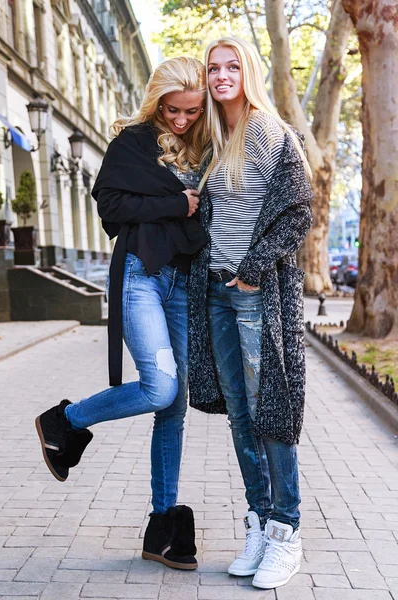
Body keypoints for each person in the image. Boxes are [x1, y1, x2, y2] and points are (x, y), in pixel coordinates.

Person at [35, 57, 210, 571]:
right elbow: (110, 206)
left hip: (183, 281)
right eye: (173, 110)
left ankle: (162, 525)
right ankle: (65, 420)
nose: (182, 120)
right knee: (160, 389)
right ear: (158, 101)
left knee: (174, 406)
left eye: (192, 111)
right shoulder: (132, 142)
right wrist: (175, 204)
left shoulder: (207, 144)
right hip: (141, 276)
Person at [188, 37, 313, 589]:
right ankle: (259, 522)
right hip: (216, 291)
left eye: (232, 65)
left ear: (249, 72)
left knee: (271, 412)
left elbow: (298, 211)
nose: (221, 75)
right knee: (240, 413)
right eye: (213, 67)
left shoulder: (268, 131)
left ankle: (287, 529)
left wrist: (256, 268)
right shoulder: (212, 140)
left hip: (256, 292)